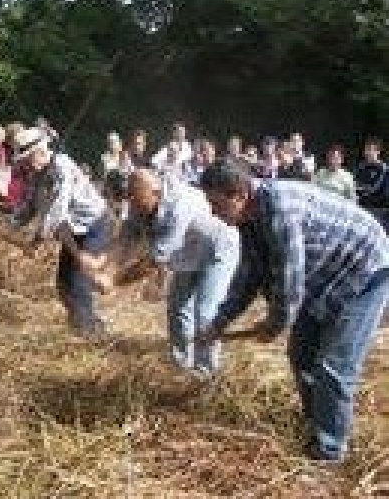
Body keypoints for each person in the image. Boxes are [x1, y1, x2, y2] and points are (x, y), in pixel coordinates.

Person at [198, 160, 389, 463]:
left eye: (216, 204)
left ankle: (329, 452)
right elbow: (248, 276)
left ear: (238, 195)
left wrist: (275, 324)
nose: (212, 212)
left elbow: (290, 286)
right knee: (301, 353)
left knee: (334, 367)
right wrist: (219, 322)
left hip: (366, 268)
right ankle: (317, 423)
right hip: (328, 275)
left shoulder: (279, 210)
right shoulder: (249, 220)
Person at [112, 170, 240, 377]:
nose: (131, 202)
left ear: (155, 192)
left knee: (205, 312)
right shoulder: (140, 203)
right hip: (188, 254)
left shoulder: (178, 205)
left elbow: (156, 259)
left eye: (135, 196)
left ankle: (206, 371)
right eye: (129, 195)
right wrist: (107, 262)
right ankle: (181, 363)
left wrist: (113, 281)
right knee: (177, 308)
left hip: (218, 251)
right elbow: (126, 236)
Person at [10, 128, 110, 337]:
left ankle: (90, 332)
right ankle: (83, 324)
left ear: (39, 151)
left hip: (93, 225)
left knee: (77, 280)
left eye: (27, 158)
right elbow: (29, 205)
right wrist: (10, 224)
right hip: (73, 232)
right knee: (63, 283)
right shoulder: (38, 175)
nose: (26, 164)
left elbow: (57, 210)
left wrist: (37, 240)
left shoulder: (61, 167)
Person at [355, 138, 387, 220]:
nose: (367, 153)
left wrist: (360, 189)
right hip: (360, 206)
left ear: (378, 152)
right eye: (366, 150)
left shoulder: (383, 169)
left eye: (370, 150)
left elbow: (373, 189)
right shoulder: (361, 166)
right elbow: (354, 183)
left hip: (377, 209)